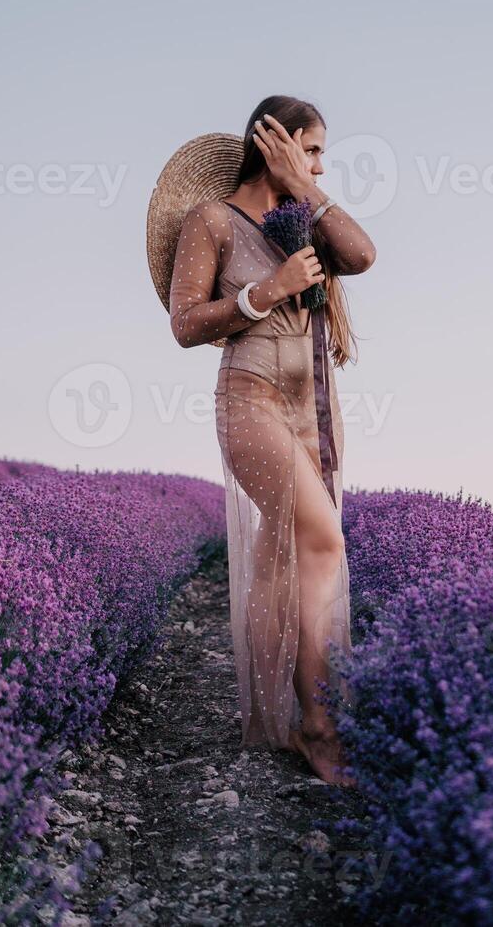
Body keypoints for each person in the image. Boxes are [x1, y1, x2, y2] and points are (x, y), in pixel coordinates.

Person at [156, 95, 376, 786]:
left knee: (285, 560)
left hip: (313, 401)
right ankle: (318, 724)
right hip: (249, 398)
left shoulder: (307, 218)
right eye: (310, 149)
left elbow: (363, 255)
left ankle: (280, 716)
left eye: (320, 155)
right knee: (323, 539)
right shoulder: (212, 220)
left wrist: (309, 191)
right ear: (273, 143)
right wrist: (268, 290)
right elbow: (186, 322)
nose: (318, 165)